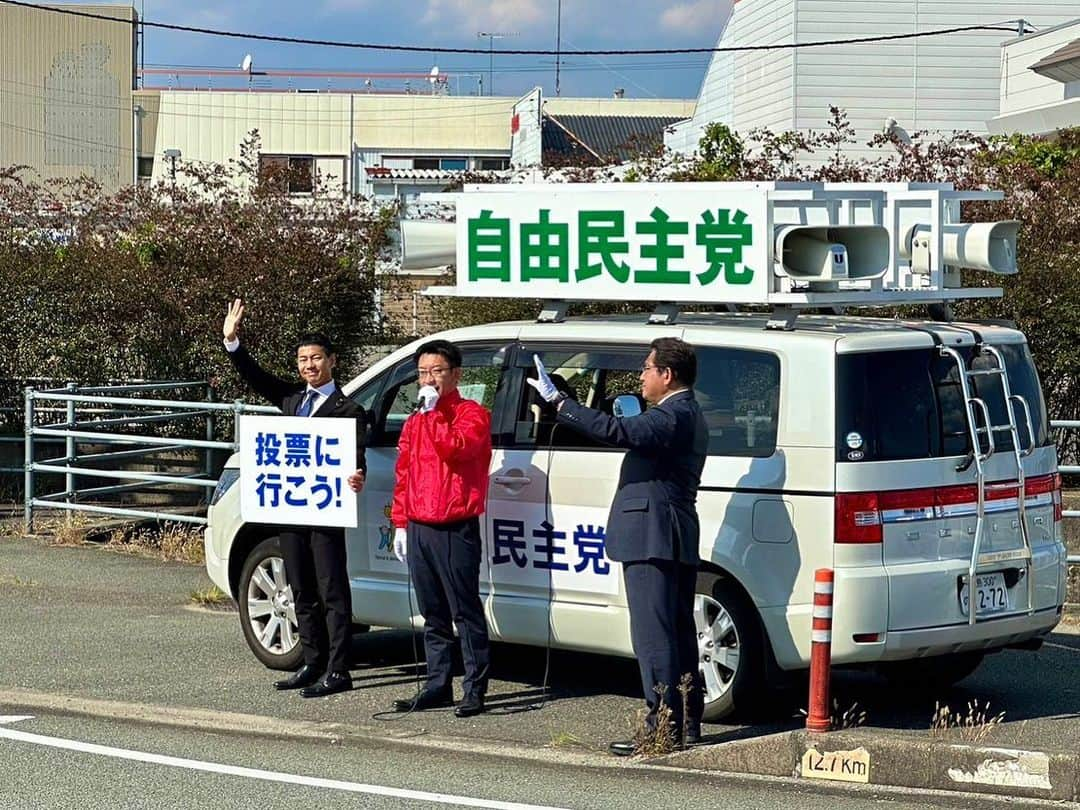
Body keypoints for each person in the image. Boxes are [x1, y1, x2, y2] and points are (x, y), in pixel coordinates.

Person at [528, 337, 708, 755]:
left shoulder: (673, 413)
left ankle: (660, 726)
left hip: (653, 531)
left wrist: (561, 403)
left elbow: (619, 429)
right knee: (676, 630)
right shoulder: (686, 411)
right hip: (670, 529)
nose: (641, 377)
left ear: (667, 374)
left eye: (647, 368)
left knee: (655, 635)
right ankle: (686, 719)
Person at [222, 298, 366, 698]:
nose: (309, 366)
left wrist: (358, 476)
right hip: (291, 509)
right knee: (299, 587)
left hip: (326, 510)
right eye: (303, 359)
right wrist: (233, 343)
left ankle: (340, 668)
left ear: (332, 361)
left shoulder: (349, 409)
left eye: (316, 358)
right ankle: (313, 661)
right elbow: (257, 378)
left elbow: (357, 456)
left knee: (331, 589)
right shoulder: (292, 401)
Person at [389, 339, 493, 718]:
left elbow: (457, 449)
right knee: (432, 611)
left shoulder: (472, 414)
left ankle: (475, 687)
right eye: (422, 373)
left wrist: (433, 414)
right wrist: (400, 522)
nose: (428, 380)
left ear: (456, 374)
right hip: (419, 525)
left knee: (464, 610)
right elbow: (405, 474)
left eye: (436, 371)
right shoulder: (416, 419)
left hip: (454, 525)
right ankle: (437, 683)